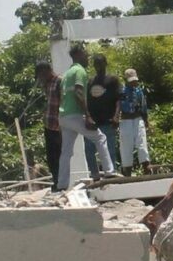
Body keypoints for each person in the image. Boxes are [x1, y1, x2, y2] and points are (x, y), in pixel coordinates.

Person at [54, 45, 100, 189]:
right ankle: (110, 171)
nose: (87, 57)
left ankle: (62, 184)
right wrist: (87, 115)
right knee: (100, 138)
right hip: (75, 114)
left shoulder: (66, 74)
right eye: (86, 54)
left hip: (63, 116)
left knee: (66, 152)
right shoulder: (80, 71)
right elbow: (79, 93)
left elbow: (61, 95)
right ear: (79, 54)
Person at [83, 55, 120, 178]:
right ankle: (95, 175)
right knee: (89, 150)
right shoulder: (90, 81)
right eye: (95, 64)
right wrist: (87, 117)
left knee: (109, 150)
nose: (98, 66)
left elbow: (118, 99)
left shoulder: (112, 80)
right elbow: (86, 101)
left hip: (108, 121)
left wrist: (116, 116)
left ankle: (111, 174)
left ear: (105, 63)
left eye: (100, 63)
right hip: (93, 123)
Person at [33, 62, 62, 193]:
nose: (40, 78)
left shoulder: (59, 82)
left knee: (59, 155)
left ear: (47, 70)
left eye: (41, 74)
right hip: (49, 124)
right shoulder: (47, 84)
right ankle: (56, 182)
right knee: (51, 157)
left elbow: (63, 102)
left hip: (58, 125)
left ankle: (61, 182)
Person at [116, 68, 150, 172]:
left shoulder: (139, 91)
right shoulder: (121, 91)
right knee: (126, 145)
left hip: (138, 119)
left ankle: (146, 167)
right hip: (126, 120)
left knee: (142, 143)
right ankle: (127, 171)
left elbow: (143, 106)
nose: (134, 82)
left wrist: (146, 120)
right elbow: (118, 106)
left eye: (135, 80)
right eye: (131, 81)